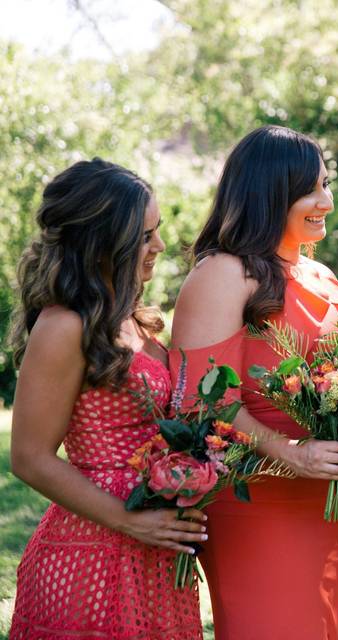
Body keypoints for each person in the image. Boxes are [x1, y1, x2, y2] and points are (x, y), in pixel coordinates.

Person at [169, 125, 338, 639]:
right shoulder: (224, 274)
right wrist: (293, 453)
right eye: (311, 189)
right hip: (257, 499)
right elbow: (200, 402)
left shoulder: (322, 278)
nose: (326, 200)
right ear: (270, 193)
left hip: (328, 501)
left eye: (326, 183)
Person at [9, 159, 203, 639]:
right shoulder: (64, 325)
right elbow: (29, 458)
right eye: (143, 236)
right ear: (101, 242)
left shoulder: (133, 318)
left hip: (156, 550)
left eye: (156, 231)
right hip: (91, 551)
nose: (158, 246)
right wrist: (130, 521)